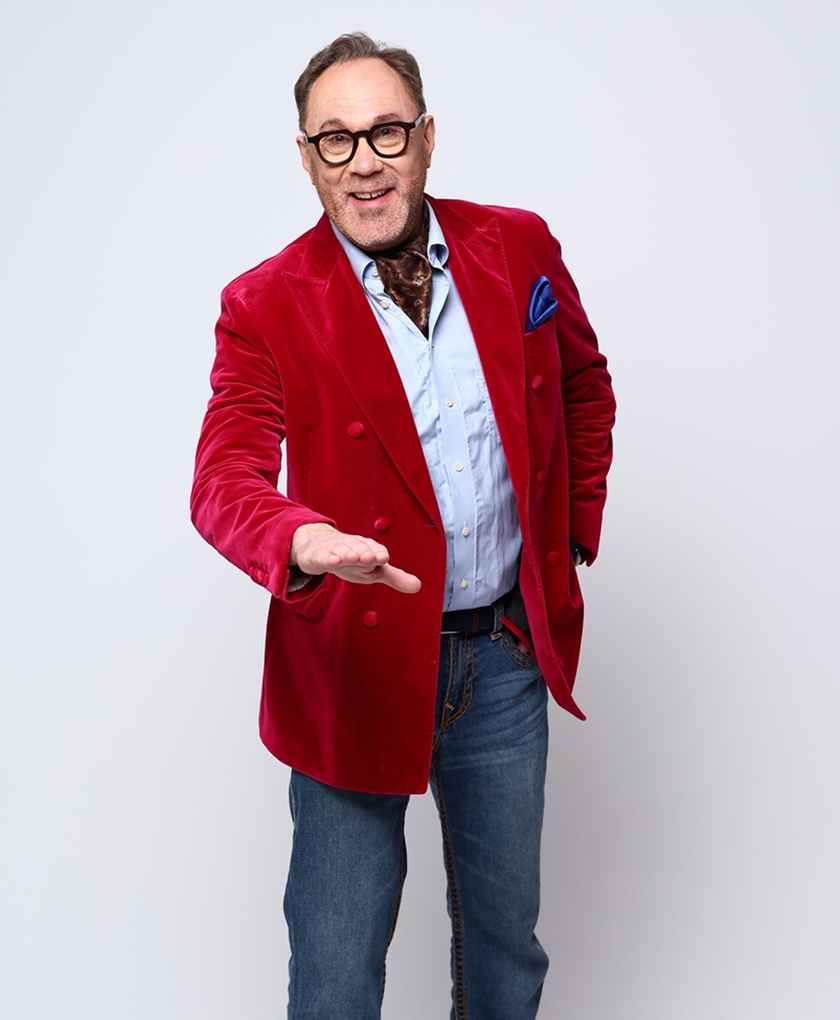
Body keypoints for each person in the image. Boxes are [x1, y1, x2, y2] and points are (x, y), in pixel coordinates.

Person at [191, 31, 615, 1020]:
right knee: (336, 968)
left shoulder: (518, 246)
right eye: (335, 139)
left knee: (507, 951)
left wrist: (567, 542)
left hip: (502, 654)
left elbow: (583, 388)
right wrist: (300, 541)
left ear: (426, 137)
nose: (363, 161)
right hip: (353, 661)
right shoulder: (264, 304)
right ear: (306, 158)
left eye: (386, 131)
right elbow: (224, 477)